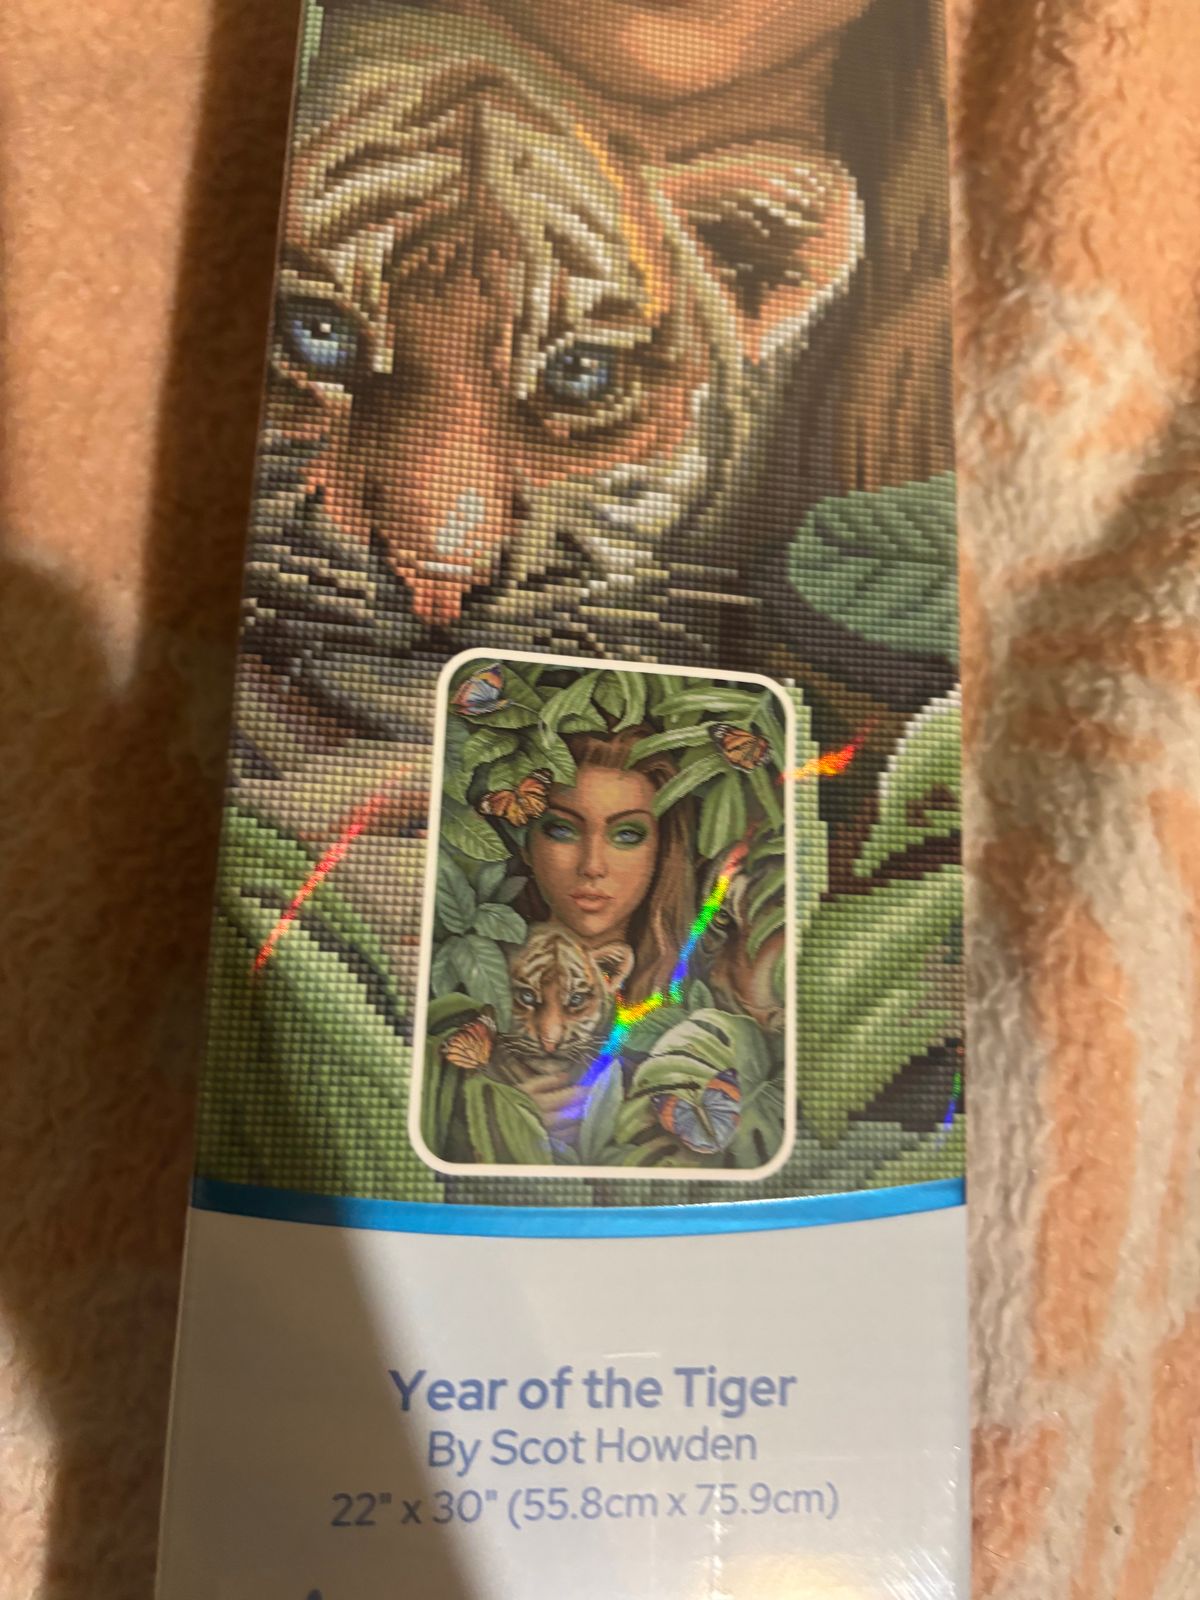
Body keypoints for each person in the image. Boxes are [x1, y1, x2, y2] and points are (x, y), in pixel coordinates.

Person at [516, 726, 696, 1140]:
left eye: (626, 834)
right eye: (563, 829)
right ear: (525, 843)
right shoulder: (478, 974)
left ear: (662, 850)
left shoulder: (687, 997)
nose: (593, 865)